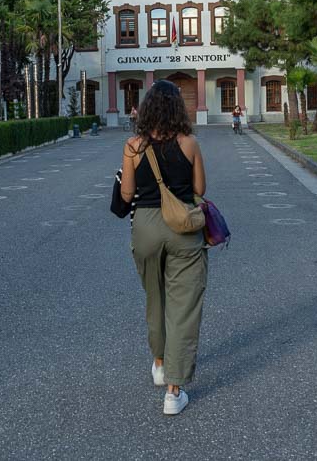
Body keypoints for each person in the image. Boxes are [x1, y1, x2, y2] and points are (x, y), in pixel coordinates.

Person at [120, 80, 207, 416]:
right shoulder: (190, 143)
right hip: (182, 226)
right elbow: (200, 187)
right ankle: (173, 391)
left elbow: (127, 195)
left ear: (148, 108)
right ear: (177, 109)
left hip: (145, 227)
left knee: (154, 296)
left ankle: (159, 363)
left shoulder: (133, 146)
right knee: (182, 306)